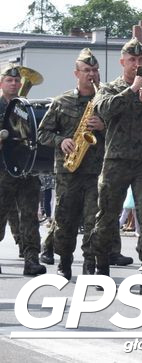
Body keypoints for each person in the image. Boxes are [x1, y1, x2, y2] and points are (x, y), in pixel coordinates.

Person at [92, 38, 142, 291]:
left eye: (141, 60)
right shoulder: (110, 88)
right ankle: (101, 269)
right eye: (132, 60)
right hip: (116, 161)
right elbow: (103, 110)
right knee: (107, 216)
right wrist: (132, 89)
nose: (137, 65)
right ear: (123, 62)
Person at [37, 48, 107, 280]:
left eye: (95, 70)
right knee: (65, 220)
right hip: (68, 171)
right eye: (86, 70)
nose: (92, 74)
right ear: (76, 73)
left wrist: (104, 127)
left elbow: (122, 133)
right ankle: (64, 261)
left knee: (92, 222)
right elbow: (42, 133)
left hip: (96, 171)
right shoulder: (61, 101)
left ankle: (89, 264)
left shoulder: (104, 101)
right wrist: (62, 140)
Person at [0, 63, 46, 275]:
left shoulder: (25, 107)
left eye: (17, 80)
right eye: (9, 80)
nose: (14, 84)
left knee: (29, 217)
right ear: (1, 83)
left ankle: (31, 260)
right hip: (3, 170)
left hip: (26, 168)